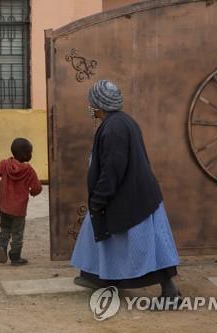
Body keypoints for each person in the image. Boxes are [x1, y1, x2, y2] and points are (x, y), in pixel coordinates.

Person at [71, 80, 181, 300]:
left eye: (91, 102)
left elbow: (113, 168)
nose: (89, 106)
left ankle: (170, 291)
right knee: (99, 236)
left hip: (132, 198)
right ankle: (95, 277)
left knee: (146, 246)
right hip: (137, 194)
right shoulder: (123, 122)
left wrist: (100, 199)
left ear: (99, 105)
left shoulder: (114, 128)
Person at [0, 138, 42, 266]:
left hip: (3, 205)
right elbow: (37, 188)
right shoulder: (29, 171)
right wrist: (33, 193)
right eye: (30, 152)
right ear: (25, 155)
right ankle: (15, 257)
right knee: (17, 233)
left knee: (4, 228)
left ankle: (1, 246)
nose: (31, 155)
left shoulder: (4, 164)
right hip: (19, 209)